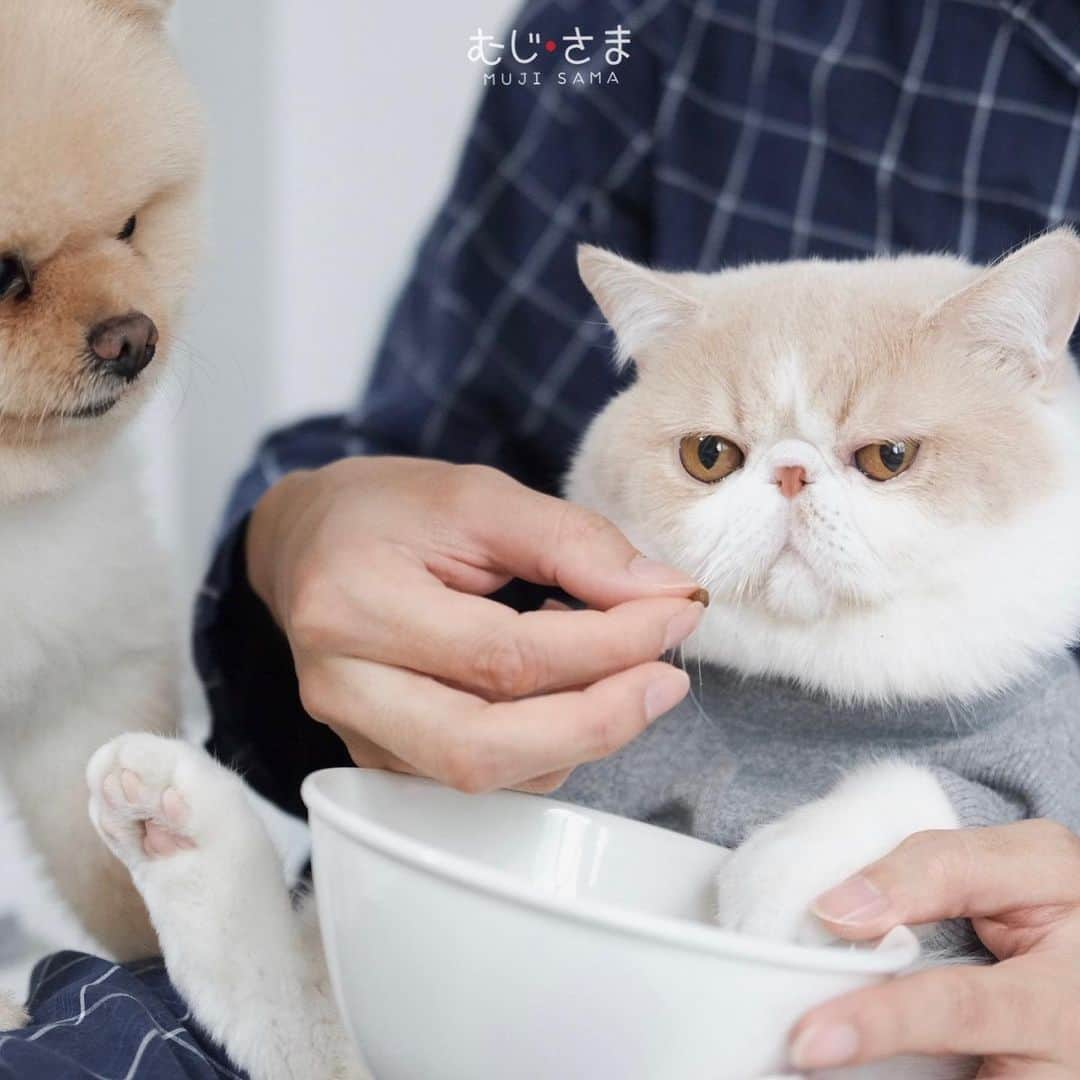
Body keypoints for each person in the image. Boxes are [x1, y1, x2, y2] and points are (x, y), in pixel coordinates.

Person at [6, 1, 1080, 1076]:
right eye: (715, 457)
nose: (792, 496)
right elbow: (416, 440)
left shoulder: (1012, 711)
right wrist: (298, 541)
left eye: (884, 459)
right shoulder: (623, 32)